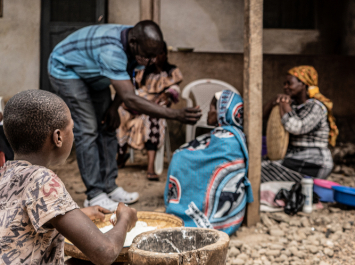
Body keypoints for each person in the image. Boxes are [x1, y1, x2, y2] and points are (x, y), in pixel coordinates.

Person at [0, 89, 167, 265]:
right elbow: (105, 252)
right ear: (58, 137)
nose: (74, 134)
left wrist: (79, 212)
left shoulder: (6, 174)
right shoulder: (42, 179)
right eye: (72, 128)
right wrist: (125, 221)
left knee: (117, 263)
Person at [48, 20, 201, 211]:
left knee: (109, 125)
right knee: (88, 130)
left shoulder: (139, 46)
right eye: (148, 56)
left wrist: (113, 108)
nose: (151, 61)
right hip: (67, 70)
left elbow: (126, 83)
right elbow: (130, 98)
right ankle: (94, 194)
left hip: (94, 75)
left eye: (155, 56)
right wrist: (175, 114)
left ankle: (109, 187)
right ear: (134, 43)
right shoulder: (112, 50)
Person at [164, 90, 253, 236]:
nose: (209, 112)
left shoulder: (226, 138)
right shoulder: (229, 135)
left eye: (213, 108)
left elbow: (203, 159)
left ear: (224, 111)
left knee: (180, 157)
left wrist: (181, 156)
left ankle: (187, 213)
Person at [117, 42, 182, 181]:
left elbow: (175, 89)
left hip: (156, 107)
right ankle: (120, 157)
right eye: (153, 55)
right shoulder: (144, 71)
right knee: (120, 112)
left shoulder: (171, 71)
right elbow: (135, 88)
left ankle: (150, 167)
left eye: (159, 54)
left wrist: (167, 94)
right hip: (139, 104)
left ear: (165, 54)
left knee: (154, 116)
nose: (156, 57)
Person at [262, 65, 338, 183]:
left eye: (289, 83)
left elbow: (296, 127)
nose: (285, 87)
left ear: (303, 84)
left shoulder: (316, 106)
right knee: (260, 167)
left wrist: (284, 105)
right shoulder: (293, 104)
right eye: (284, 84)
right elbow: (262, 116)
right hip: (295, 158)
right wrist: (275, 100)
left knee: (261, 171)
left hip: (314, 161)